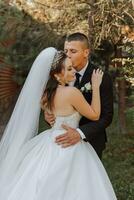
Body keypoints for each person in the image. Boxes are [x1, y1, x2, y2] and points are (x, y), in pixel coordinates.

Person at [0, 48, 117, 199]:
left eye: (72, 67)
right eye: (68, 69)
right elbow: (95, 115)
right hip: (70, 144)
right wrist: (95, 87)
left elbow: (49, 113)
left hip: (49, 141)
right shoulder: (72, 93)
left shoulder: (44, 95)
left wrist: (48, 114)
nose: (73, 71)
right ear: (56, 75)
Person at [45, 32, 113, 159]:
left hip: (90, 141)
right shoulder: (61, 74)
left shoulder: (100, 77)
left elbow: (106, 116)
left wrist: (80, 133)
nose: (68, 55)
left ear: (86, 53)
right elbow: (54, 100)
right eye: (65, 51)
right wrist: (49, 114)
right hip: (61, 143)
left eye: (73, 51)